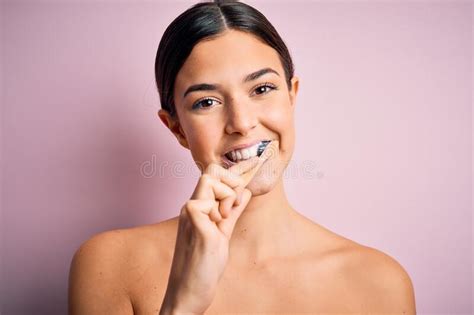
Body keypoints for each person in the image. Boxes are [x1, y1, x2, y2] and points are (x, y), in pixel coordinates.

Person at [68, 1, 416, 314]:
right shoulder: (109, 265)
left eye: (262, 89)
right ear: (176, 128)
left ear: (291, 96)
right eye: (206, 102)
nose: (242, 123)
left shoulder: (380, 284)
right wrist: (182, 303)